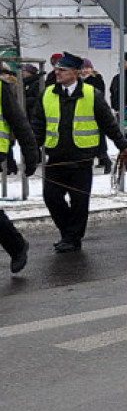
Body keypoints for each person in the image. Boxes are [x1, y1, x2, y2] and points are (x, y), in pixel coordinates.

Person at [32, 52, 127, 253]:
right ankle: (69, 232)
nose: (57, 72)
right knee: (51, 197)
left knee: (79, 201)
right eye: (56, 69)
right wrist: (32, 151)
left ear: (75, 73)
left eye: (62, 70)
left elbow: (108, 123)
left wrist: (122, 145)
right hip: (56, 157)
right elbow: (38, 126)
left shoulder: (92, 94)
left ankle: (72, 237)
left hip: (82, 157)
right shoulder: (47, 94)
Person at [0, 74, 37, 271]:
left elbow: (19, 121)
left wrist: (31, 153)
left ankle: (17, 246)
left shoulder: (1, 88)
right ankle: (17, 246)